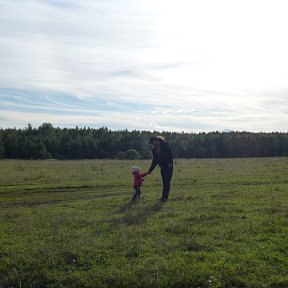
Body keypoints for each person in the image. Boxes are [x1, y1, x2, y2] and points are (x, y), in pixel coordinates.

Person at [147, 136, 173, 202]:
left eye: (152, 142)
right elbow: (155, 161)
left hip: (168, 166)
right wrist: (150, 170)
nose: (152, 144)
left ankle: (165, 197)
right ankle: (163, 196)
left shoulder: (165, 145)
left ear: (156, 140)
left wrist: (170, 163)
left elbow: (170, 154)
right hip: (162, 167)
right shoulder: (154, 150)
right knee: (164, 182)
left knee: (167, 182)